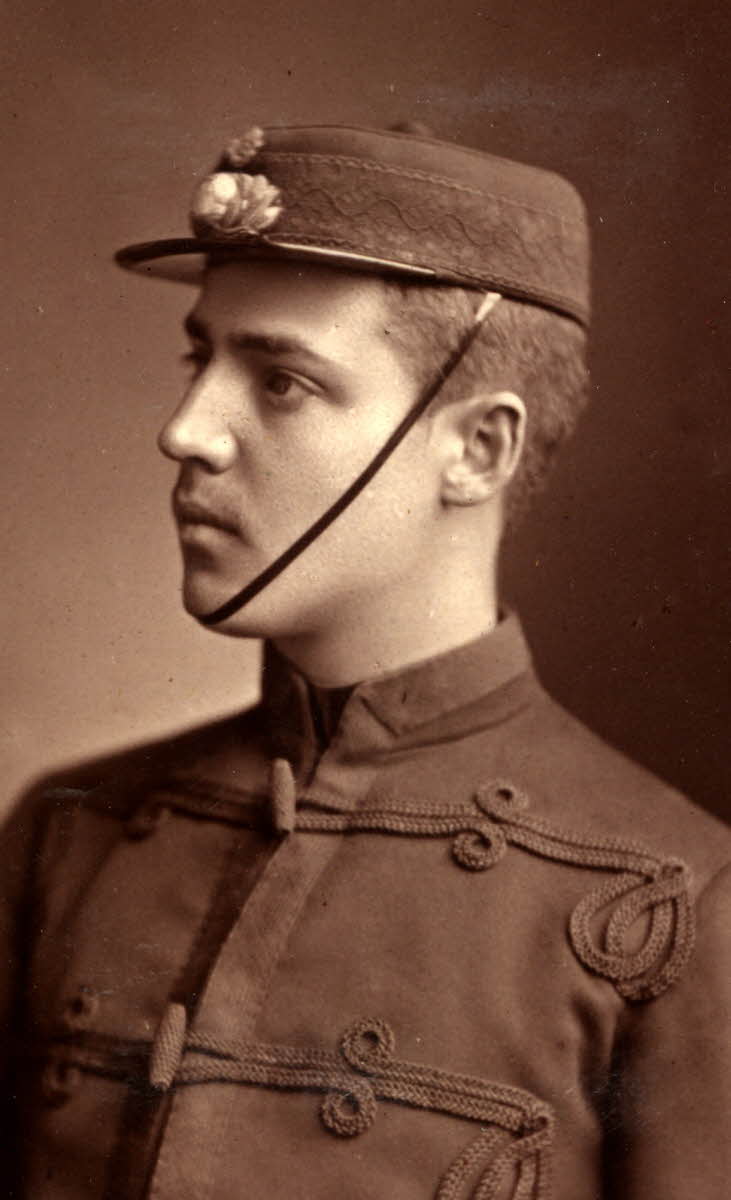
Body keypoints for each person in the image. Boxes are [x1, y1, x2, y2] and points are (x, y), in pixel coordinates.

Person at [1, 122, 729, 1200]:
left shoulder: (673, 905)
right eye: (201, 358)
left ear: (476, 449)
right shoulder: (68, 832)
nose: (186, 430)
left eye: (280, 382)